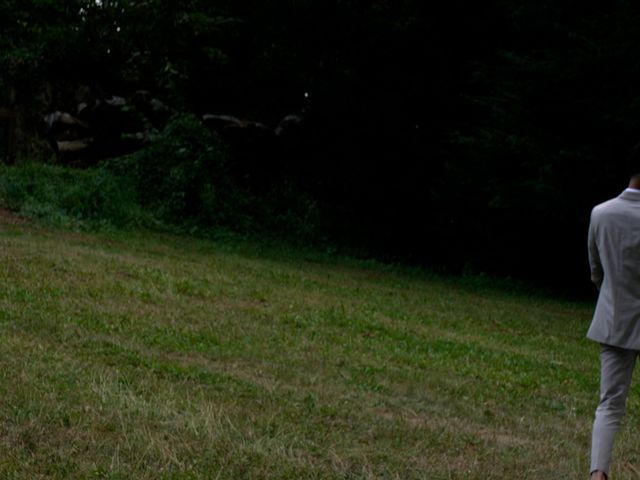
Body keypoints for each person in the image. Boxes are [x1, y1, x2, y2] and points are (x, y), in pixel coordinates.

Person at [588, 144, 640, 479]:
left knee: (609, 404)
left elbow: (596, 271)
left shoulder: (601, 213)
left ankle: (598, 474)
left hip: (614, 319)